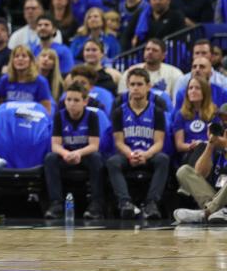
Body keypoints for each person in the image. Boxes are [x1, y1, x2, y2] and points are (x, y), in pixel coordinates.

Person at [107, 69, 169, 220]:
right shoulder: (119, 112)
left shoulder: (157, 112)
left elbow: (159, 142)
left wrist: (146, 155)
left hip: (149, 155)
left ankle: (151, 203)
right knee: (112, 162)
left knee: (163, 159)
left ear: (148, 86)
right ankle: (125, 203)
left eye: (139, 84)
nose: (135, 88)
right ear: (127, 86)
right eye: (132, 84)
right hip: (128, 155)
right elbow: (119, 142)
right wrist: (130, 154)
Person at [43, 82, 105, 220]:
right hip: (67, 156)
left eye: (76, 100)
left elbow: (94, 145)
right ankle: (56, 204)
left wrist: (78, 153)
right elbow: (55, 145)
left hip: (84, 156)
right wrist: (66, 154)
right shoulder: (59, 116)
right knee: (50, 158)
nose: (71, 103)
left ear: (85, 101)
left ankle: (96, 205)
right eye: (68, 99)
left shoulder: (92, 116)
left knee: (96, 157)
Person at [172, 112, 227, 224]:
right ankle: (216, 210)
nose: (224, 125)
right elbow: (199, 173)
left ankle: (206, 213)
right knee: (184, 171)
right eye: (222, 121)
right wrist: (210, 145)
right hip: (217, 198)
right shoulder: (216, 147)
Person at [173, 78, 219, 165]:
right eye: (190, 88)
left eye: (197, 88)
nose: (193, 91)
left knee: (203, 150)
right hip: (189, 153)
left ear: (205, 92)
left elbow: (217, 139)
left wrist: (202, 144)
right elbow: (179, 145)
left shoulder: (214, 112)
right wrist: (193, 146)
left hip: (209, 152)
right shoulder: (181, 114)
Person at [0, 45, 53, 112]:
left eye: (24, 56)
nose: (20, 59)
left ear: (31, 61)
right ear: (12, 61)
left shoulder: (40, 82)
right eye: (16, 56)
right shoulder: (5, 80)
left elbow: (46, 110)